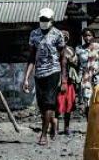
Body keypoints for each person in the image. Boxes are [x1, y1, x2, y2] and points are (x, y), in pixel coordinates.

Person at [22, 8, 67, 146]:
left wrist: (64, 79)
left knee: (48, 102)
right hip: (39, 72)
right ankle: (52, 121)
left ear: (52, 20)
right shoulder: (34, 34)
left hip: (53, 72)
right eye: (42, 19)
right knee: (42, 104)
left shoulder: (58, 34)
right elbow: (31, 57)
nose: (44, 22)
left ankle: (43, 134)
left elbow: (63, 58)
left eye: (46, 19)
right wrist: (26, 77)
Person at [76, 28, 99, 115]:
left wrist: (97, 74)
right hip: (85, 77)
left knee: (98, 99)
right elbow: (77, 64)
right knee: (87, 99)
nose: (87, 37)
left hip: (97, 76)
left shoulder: (98, 47)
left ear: (93, 36)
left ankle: (98, 123)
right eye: (85, 36)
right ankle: (89, 124)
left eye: (89, 35)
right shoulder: (79, 49)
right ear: (83, 37)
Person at [57, 30, 79, 135]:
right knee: (56, 104)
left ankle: (66, 127)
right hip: (56, 80)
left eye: (65, 38)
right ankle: (55, 127)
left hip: (69, 81)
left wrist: (71, 59)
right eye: (61, 37)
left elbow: (75, 63)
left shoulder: (70, 50)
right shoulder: (54, 49)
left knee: (68, 105)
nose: (63, 39)